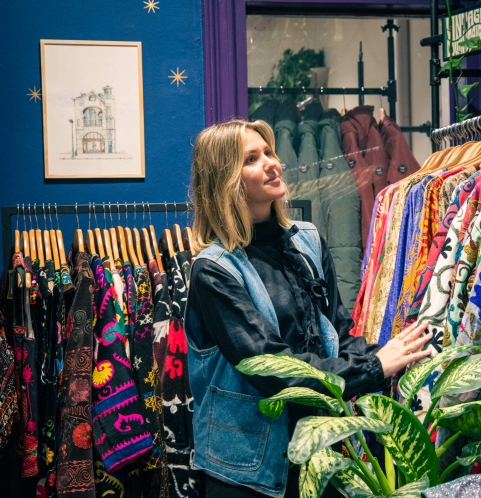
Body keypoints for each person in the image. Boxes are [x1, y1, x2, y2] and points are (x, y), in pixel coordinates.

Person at [184, 119, 433, 498]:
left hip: (321, 452)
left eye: (269, 152)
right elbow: (273, 370)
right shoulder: (214, 271)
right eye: (252, 158)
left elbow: (340, 332)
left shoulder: (307, 241)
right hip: (248, 473)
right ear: (225, 181)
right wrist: (374, 365)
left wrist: (396, 354)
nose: (272, 163)